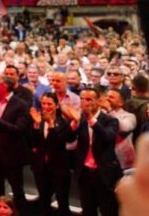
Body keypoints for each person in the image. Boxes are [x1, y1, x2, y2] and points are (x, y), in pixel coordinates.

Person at [62, 88, 121, 216]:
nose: (84, 103)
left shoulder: (110, 120)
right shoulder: (80, 119)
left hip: (103, 174)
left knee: (108, 210)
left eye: (88, 99)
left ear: (98, 101)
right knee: (88, 210)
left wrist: (90, 119)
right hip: (84, 173)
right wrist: (74, 123)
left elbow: (107, 137)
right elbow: (68, 138)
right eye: (82, 99)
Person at [0, 76, 31, 210]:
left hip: (12, 154)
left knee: (17, 191)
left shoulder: (20, 104)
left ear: (5, 87)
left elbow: (19, 130)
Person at [29, 92, 71, 215]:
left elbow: (56, 144)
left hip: (58, 168)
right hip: (41, 168)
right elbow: (34, 144)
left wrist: (51, 125)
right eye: (43, 104)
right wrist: (36, 126)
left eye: (49, 104)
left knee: (62, 203)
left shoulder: (63, 123)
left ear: (56, 106)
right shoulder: (39, 121)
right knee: (44, 201)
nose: (46, 107)